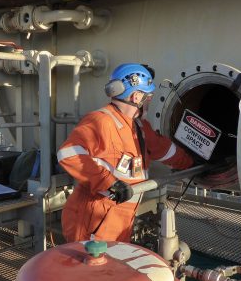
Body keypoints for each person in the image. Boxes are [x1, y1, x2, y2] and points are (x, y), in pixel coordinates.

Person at [57, 63, 194, 242]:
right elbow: (68, 154)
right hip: (93, 220)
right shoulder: (101, 121)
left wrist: (194, 163)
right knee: (92, 268)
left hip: (119, 220)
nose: (150, 101)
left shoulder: (138, 126)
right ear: (136, 96)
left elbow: (165, 150)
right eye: (148, 96)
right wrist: (110, 183)